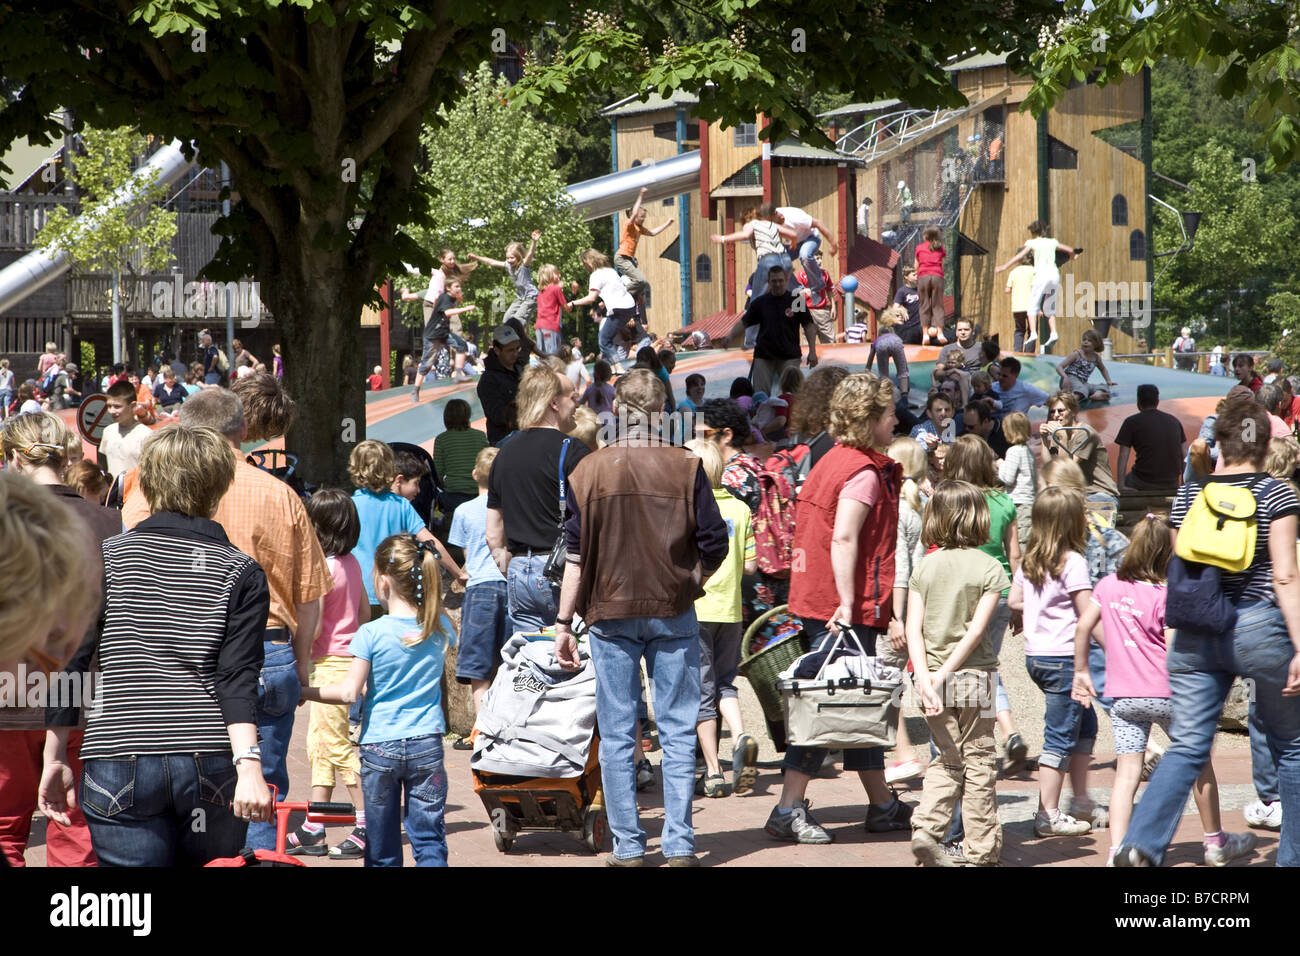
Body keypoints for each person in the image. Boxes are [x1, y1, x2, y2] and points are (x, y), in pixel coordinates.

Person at [41, 426, 274, 865]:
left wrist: (55, 754)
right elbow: (236, 677)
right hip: (209, 760)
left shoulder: (105, 558)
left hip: (117, 755)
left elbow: (71, 660)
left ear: (147, 482)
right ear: (221, 484)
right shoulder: (240, 570)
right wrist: (250, 768)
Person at [120, 387, 332, 851]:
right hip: (269, 650)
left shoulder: (148, 489)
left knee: (185, 787)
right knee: (262, 791)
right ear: (243, 429)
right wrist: (300, 662)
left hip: (182, 652)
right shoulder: (280, 495)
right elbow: (311, 593)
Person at [1114, 398, 1300, 867]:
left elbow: (1186, 572)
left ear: (1220, 443)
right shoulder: (1278, 495)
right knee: (1293, 745)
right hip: (1259, 625)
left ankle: (1140, 843)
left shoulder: (1188, 495)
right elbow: (1285, 576)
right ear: (1265, 444)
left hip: (1198, 628)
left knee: (1190, 744)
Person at [554, 369, 728, 866]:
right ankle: (678, 845)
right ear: (662, 413)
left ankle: (629, 847)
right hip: (673, 610)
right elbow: (715, 541)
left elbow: (574, 555)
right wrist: (689, 582)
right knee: (676, 730)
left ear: (616, 413)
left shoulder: (587, 470)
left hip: (609, 611)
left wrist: (563, 622)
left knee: (616, 732)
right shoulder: (686, 466)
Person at [767, 372, 914, 844]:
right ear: (870, 420)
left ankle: (883, 804)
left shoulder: (831, 459)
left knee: (857, 701)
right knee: (828, 707)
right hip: (840, 607)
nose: (896, 420)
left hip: (819, 600)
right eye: (889, 414)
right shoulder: (863, 472)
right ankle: (788, 808)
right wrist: (850, 604)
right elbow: (845, 536)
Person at [1071, 514, 1257, 866]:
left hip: (1124, 698)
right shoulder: (1167, 594)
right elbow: (1174, 648)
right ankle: (1214, 839)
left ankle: (1117, 851)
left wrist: (1082, 670)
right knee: (1198, 764)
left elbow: (1083, 626)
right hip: (1169, 695)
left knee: (1127, 774)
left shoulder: (1108, 585)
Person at [0, 415, 116, 868]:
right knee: (75, 828)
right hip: (87, 696)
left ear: (12, 459)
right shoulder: (110, 522)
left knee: (6, 829)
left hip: (12, 692)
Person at [302, 534, 456, 867]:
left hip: (380, 747)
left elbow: (347, 693)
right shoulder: (441, 625)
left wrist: (305, 692)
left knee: (382, 844)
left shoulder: (371, 633)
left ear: (383, 581)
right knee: (429, 839)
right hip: (426, 744)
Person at [907, 480, 1010, 867]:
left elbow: (914, 628)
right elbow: (977, 631)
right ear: (978, 517)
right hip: (975, 678)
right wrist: (945, 672)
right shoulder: (989, 567)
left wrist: (925, 677)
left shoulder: (925, 567)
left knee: (947, 760)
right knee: (980, 760)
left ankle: (927, 831)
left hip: (930, 678)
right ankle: (980, 851)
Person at [1011, 486, 1108, 837]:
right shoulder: (1074, 561)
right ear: (1071, 523)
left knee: (1085, 726)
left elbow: (1014, 601)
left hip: (1037, 656)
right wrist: (1116, 648)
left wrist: (1038, 609)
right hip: (1064, 659)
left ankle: (1079, 799)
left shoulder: (1029, 561)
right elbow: (1088, 615)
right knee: (1060, 736)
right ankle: (1048, 812)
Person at [286, 488, 370, 859]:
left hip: (326, 664)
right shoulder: (351, 563)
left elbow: (314, 625)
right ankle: (314, 826)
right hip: (347, 659)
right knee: (320, 747)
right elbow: (365, 612)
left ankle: (368, 824)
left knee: (337, 748)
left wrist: (298, 657)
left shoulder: (322, 567)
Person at [487, 365, 591, 635]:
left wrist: (511, 567)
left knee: (531, 658)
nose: (577, 400)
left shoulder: (503, 453)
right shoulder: (573, 451)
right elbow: (591, 518)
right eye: (572, 396)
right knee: (574, 658)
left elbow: (493, 533)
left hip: (519, 571)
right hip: (562, 572)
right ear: (554, 403)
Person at [683, 438, 758, 798]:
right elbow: (752, 565)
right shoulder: (741, 509)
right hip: (731, 608)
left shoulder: (689, 507)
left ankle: (713, 771)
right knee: (727, 682)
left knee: (702, 690)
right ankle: (741, 735)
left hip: (697, 608)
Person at [349, 440, 466, 620]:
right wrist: (458, 573)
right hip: (393, 591)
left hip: (357, 590)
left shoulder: (350, 505)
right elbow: (430, 542)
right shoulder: (400, 505)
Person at [448, 445, 510, 723]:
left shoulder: (463, 511)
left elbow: (466, 555)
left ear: (475, 474)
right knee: (510, 659)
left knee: (478, 666)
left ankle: (482, 726)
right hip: (509, 584)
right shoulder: (511, 505)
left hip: (480, 587)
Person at [727, 265, 819, 395]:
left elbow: (809, 326)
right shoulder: (760, 303)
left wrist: (812, 351)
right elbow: (743, 323)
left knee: (792, 394)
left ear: (786, 281)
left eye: (780, 280)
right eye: (774, 281)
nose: (777, 284)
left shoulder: (796, 301)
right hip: (764, 356)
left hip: (790, 355)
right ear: (769, 282)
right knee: (760, 396)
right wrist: (730, 336)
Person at [994, 220, 1079, 352]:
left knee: (1032, 308)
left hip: (1041, 275)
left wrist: (1004, 266)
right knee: (1049, 308)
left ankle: (1033, 333)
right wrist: (1073, 256)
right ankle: (1053, 333)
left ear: (1033, 232)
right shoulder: (1053, 242)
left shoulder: (1032, 243)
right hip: (1054, 276)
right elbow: (1070, 250)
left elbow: (1019, 256)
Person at [1039, 390, 1119, 508]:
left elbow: (1067, 469)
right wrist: (1044, 439)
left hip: (1099, 494)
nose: (1055, 415)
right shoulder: (1060, 433)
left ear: (1073, 411)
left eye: (1060, 411)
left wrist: (1063, 438)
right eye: (1052, 411)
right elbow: (1049, 465)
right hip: (1077, 494)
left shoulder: (1085, 433)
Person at [572, 248, 644, 373]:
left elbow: (591, 298)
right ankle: (611, 367)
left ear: (588, 262)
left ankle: (618, 367)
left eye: (584, 265)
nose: (585, 267)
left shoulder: (595, 275)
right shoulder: (611, 271)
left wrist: (573, 303)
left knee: (604, 339)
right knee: (608, 338)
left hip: (619, 309)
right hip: (629, 307)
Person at [711, 202, 800, 303]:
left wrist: (722, 238)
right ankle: (797, 313)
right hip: (785, 260)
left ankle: (753, 318)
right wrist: (793, 244)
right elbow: (793, 234)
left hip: (769, 260)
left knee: (756, 300)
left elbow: (745, 235)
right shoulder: (771, 224)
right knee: (787, 294)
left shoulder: (751, 224)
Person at [616, 187, 675, 320]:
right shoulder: (629, 225)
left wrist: (667, 224)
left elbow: (653, 233)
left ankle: (631, 296)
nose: (643, 219)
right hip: (621, 258)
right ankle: (621, 293)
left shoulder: (640, 228)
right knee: (641, 280)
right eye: (641, 217)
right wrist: (641, 195)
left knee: (642, 283)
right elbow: (635, 211)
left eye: (644, 217)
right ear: (635, 215)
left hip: (629, 259)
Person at [413, 277, 477, 400]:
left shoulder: (450, 298)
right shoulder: (445, 298)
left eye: (460, 286)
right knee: (427, 364)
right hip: (433, 335)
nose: (459, 289)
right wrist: (466, 309)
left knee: (461, 345)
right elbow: (447, 313)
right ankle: (415, 390)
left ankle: (458, 374)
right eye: (456, 287)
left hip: (444, 333)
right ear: (448, 288)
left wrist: (459, 297)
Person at [1115, 384, 1187, 492]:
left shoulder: (1131, 422)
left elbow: (1123, 456)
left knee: (1119, 484)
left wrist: (1121, 486)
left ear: (1138, 402)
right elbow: (1184, 454)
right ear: (1157, 401)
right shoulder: (1174, 421)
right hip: (1171, 482)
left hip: (1142, 481)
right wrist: (1183, 484)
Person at [433, 398, 489, 532]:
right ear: (467, 415)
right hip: (479, 493)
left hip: (454, 496)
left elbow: (438, 474)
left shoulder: (442, 439)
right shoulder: (480, 436)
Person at [469, 229, 541, 328]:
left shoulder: (524, 265)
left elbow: (529, 255)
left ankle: (519, 338)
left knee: (518, 320)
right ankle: (511, 339)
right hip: (520, 297)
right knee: (507, 319)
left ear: (519, 257)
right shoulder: (508, 265)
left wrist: (534, 242)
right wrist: (476, 257)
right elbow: (492, 262)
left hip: (530, 297)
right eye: (507, 258)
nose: (509, 260)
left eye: (512, 258)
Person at [476, 324, 524, 444]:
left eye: (517, 349)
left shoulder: (522, 369)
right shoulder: (488, 380)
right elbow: (498, 416)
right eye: (510, 350)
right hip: (504, 440)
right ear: (497, 350)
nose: (515, 354)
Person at [776, 205, 838, 296]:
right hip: (794, 242)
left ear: (779, 215)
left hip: (811, 238)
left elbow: (818, 223)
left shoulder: (795, 217)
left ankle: (817, 285)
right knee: (776, 260)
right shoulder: (769, 223)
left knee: (804, 255)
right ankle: (796, 290)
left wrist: (833, 244)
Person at [99, 379, 152, 482]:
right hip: (112, 494)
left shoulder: (146, 435)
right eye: (109, 406)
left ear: (132, 405)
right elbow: (103, 467)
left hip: (135, 494)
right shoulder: (108, 432)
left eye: (117, 406)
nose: (112, 411)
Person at [999, 411, 1037, 547]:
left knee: (1020, 541)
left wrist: (1000, 464)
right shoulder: (1028, 450)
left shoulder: (1013, 451)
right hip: (1030, 502)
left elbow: (1007, 478)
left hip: (1018, 503)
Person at [1057, 330, 1116, 403]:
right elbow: (1059, 366)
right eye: (1084, 339)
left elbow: (1103, 369)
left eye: (1089, 340)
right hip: (1070, 379)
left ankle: (1098, 394)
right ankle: (1070, 400)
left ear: (1096, 344)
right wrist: (1065, 377)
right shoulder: (1077, 354)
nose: (1085, 342)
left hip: (1082, 382)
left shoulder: (1096, 358)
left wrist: (1108, 381)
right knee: (1082, 389)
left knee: (1100, 387)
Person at [794, 249, 837, 343]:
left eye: (821, 258)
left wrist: (833, 307)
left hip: (822, 311)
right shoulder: (802, 274)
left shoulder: (825, 274)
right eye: (817, 259)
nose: (820, 261)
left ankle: (831, 357)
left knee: (830, 341)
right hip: (808, 312)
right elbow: (796, 293)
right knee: (808, 342)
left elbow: (829, 290)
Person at [868, 305, 910, 397]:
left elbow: (871, 355)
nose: (901, 318)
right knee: (903, 371)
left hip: (881, 345)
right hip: (896, 342)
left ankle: (884, 395)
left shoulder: (879, 338)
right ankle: (904, 396)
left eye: (902, 316)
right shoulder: (894, 332)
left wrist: (867, 369)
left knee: (883, 373)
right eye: (898, 316)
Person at [915, 226, 947, 346]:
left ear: (925, 236)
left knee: (924, 304)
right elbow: (942, 265)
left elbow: (916, 266)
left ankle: (925, 334)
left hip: (923, 276)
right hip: (937, 276)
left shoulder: (919, 248)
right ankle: (940, 332)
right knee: (937, 304)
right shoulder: (940, 248)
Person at [534, 264, 576, 356]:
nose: (559, 275)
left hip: (539, 327)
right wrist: (573, 299)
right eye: (556, 273)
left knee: (541, 355)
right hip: (550, 326)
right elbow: (567, 309)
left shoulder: (540, 292)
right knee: (552, 355)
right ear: (550, 276)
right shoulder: (556, 289)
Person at [1005, 261, 1037, 352]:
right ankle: (1029, 353)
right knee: (1032, 330)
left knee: (1019, 330)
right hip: (1031, 307)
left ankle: (1017, 352)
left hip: (1017, 307)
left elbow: (1007, 290)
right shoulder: (1034, 271)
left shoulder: (1014, 271)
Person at [892, 267, 923, 345]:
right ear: (906, 277)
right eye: (914, 275)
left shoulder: (921, 289)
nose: (917, 276)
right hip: (909, 327)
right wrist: (901, 309)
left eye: (917, 274)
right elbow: (895, 308)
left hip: (922, 326)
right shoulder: (902, 291)